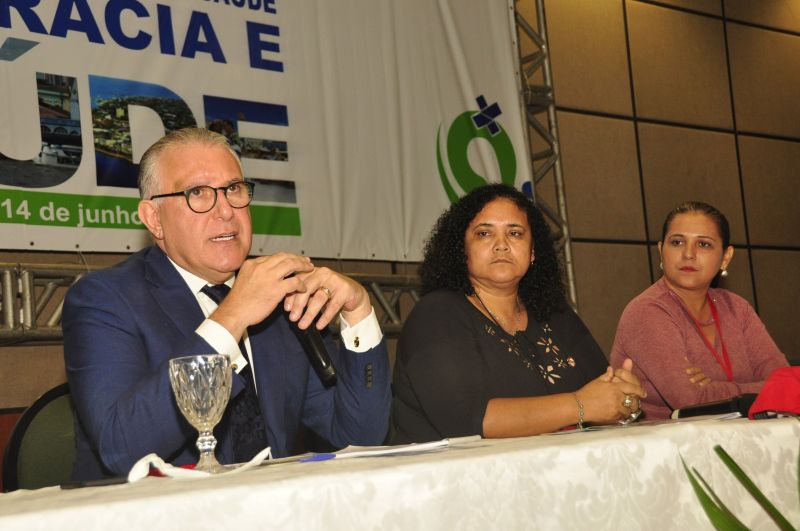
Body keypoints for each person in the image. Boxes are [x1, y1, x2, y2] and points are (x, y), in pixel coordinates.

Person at [63, 128, 391, 480]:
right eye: (198, 193)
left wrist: (358, 314)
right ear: (154, 219)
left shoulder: (280, 301)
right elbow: (121, 447)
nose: (225, 212)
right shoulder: (104, 299)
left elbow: (361, 438)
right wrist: (233, 315)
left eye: (233, 189)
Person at [391, 184, 645, 443]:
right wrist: (580, 405)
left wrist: (622, 396)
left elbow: (601, 389)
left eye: (514, 233)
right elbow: (468, 421)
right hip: (455, 478)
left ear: (532, 252)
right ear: (461, 250)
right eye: (484, 234)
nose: (501, 245)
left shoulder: (554, 313)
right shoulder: (437, 314)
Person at [610, 201, 789, 419]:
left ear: (726, 257)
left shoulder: (737, 308)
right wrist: (756, 388)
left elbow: (786, 383)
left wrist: (714, 386)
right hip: (668, 447)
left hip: (742, 440)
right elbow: (689, 401)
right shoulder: (648, 311)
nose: (688, 254)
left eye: (703, 244)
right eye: (677, 242)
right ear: (661, 250)